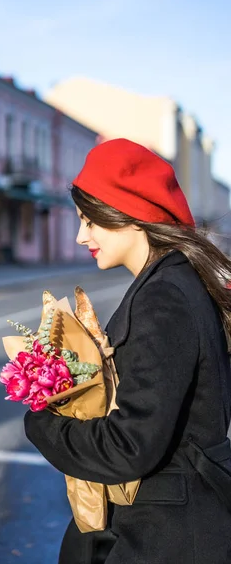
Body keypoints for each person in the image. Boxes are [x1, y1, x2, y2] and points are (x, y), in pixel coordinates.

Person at [24, 138, 231, 564]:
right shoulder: (177, 281)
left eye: (90, 221)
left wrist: (43, 423)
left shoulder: (163, 297)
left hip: (166, 532)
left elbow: (131, 445)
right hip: (180, 518)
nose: (82, 237)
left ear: (130, 215)